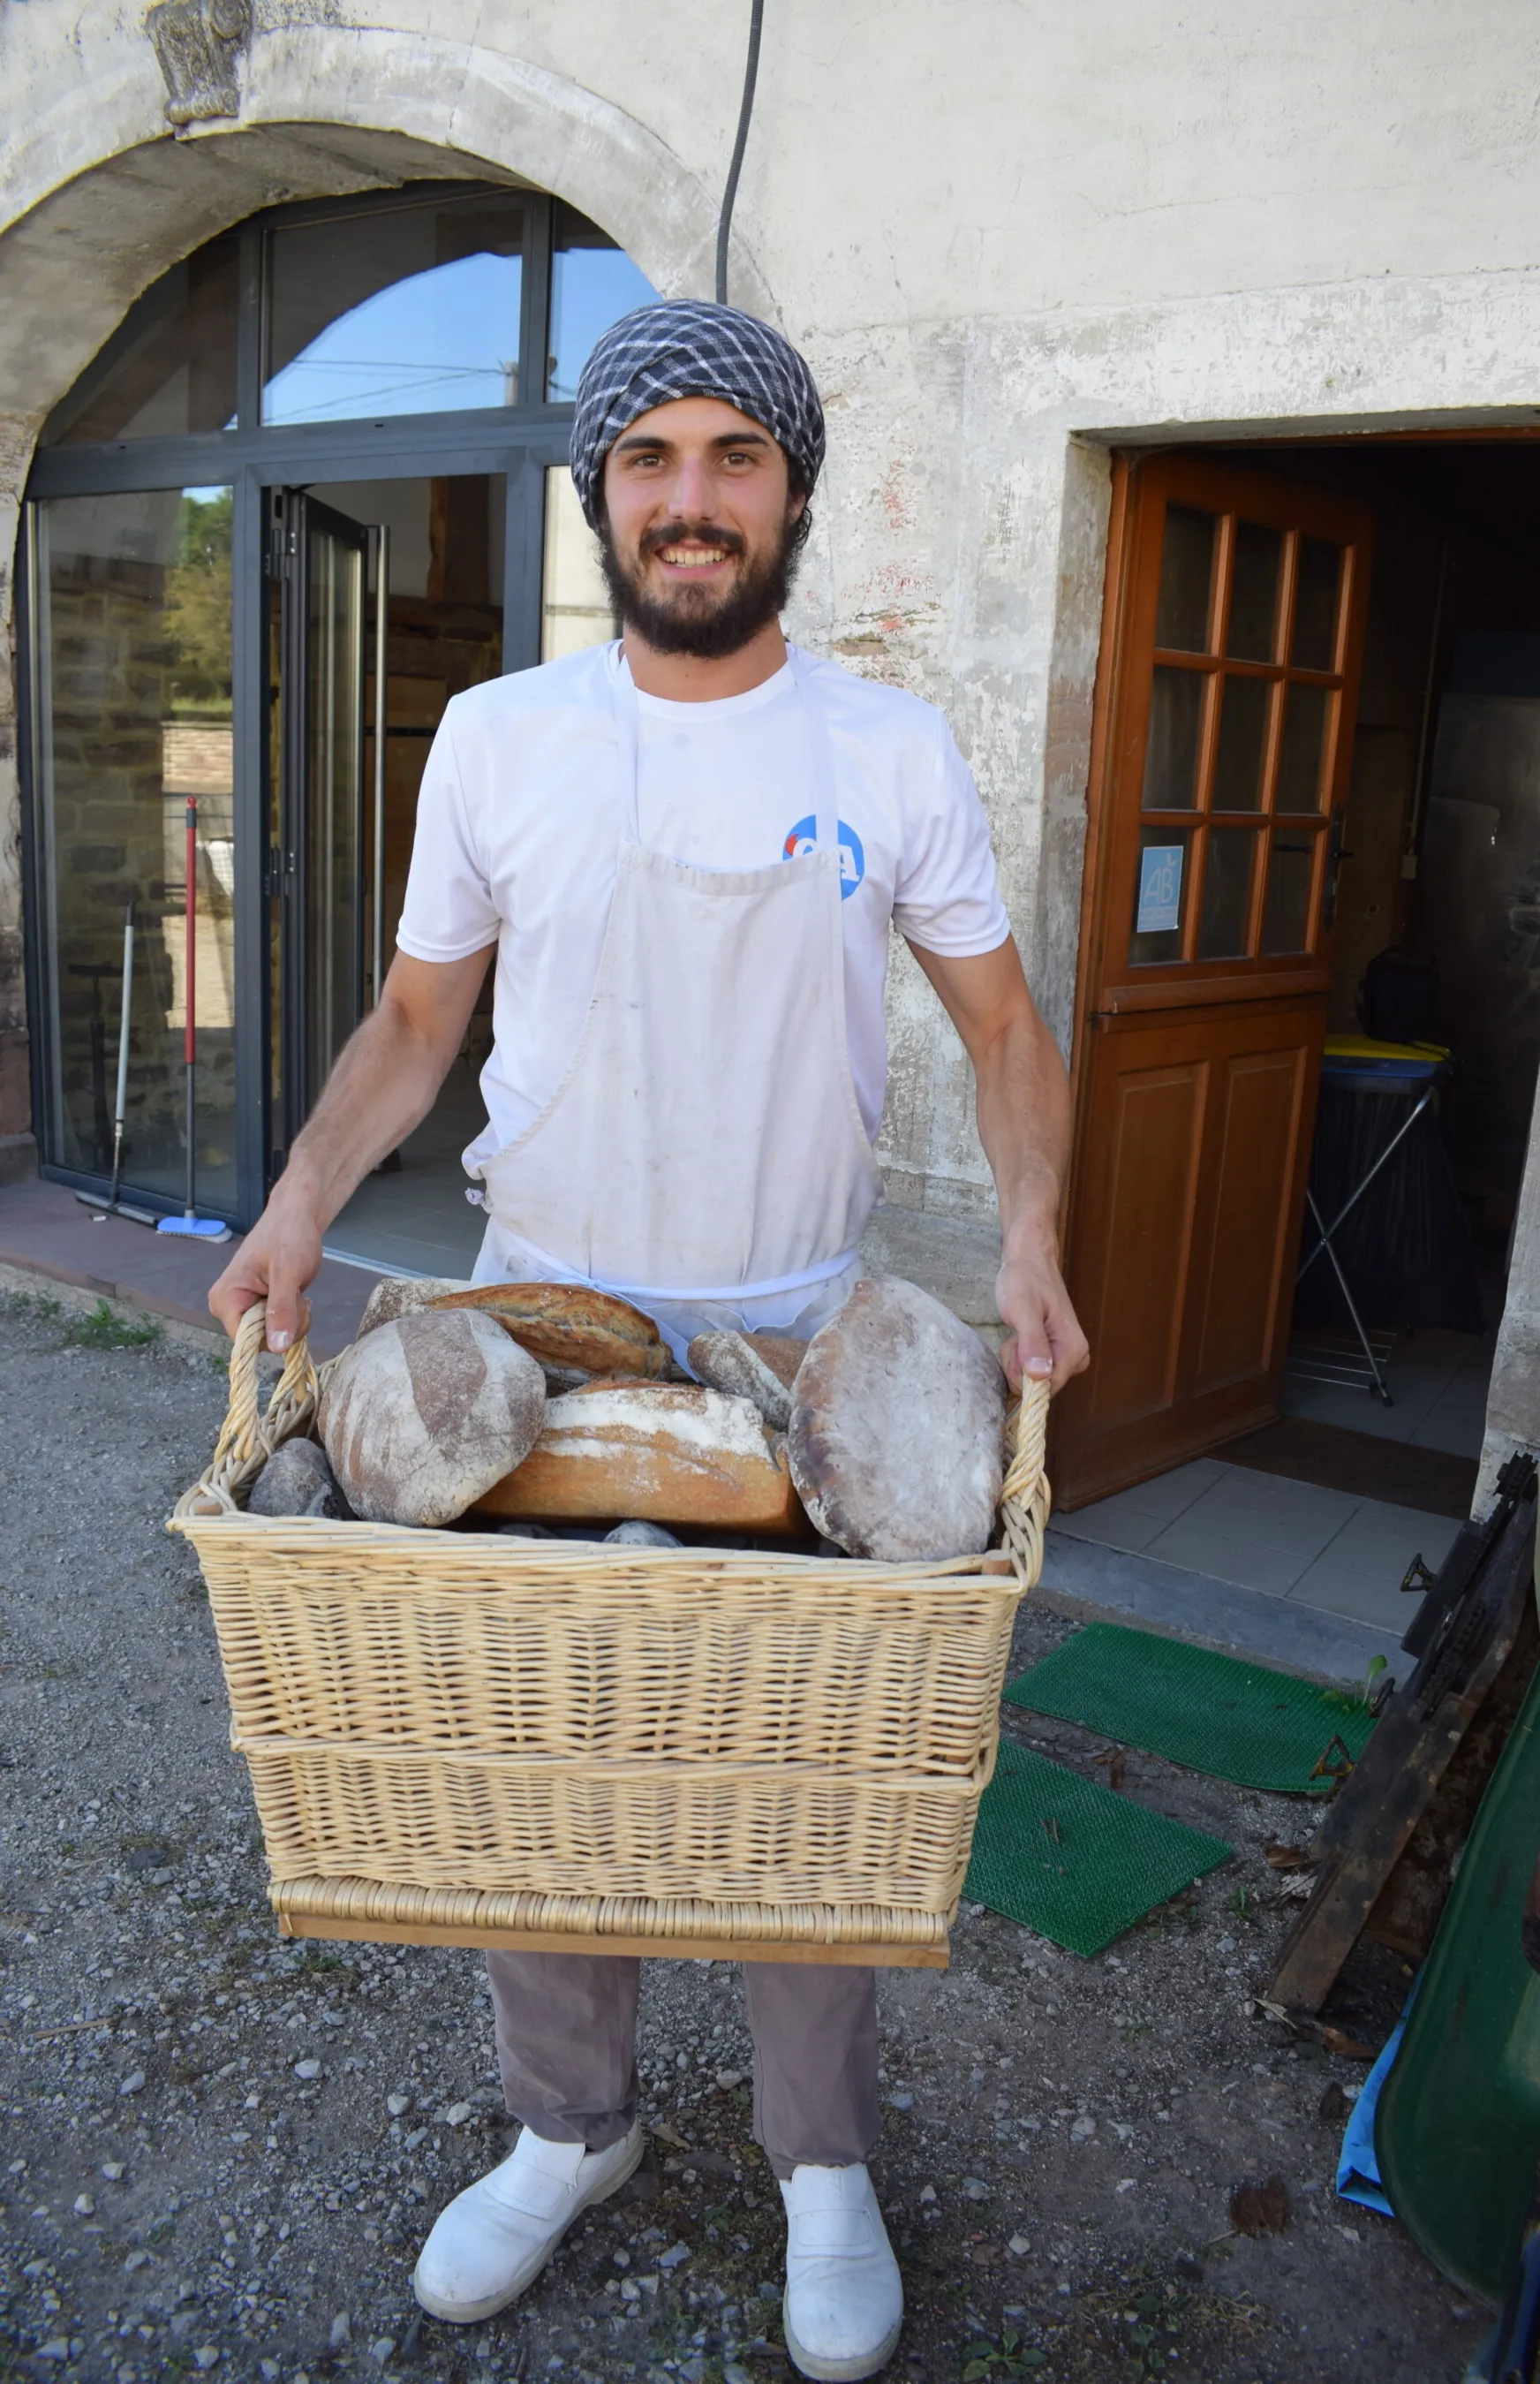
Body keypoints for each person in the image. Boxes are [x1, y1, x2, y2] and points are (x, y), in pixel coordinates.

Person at [211, 299, 1090, 2382]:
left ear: (791, 491)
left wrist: (1036, 1232)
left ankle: (818, 2162)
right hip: (526, 1332)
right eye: (650, 462)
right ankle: (568, 2126)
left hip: (807, 1350)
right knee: (547, 1754)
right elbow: (422, 1017)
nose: (689, 499)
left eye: (731, 458)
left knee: (816, 1774)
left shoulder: (889, 747)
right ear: (600, 495)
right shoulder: (503, 734)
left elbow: (1002, 1028)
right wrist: (297, 1208)